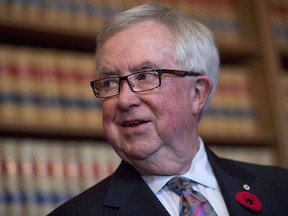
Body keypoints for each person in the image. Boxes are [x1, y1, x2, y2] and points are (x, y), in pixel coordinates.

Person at [48, 3, 288, 216]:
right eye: (110, 82)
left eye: (144, 76)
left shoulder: (281, 188)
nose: (123, 100)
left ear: (197, 93)